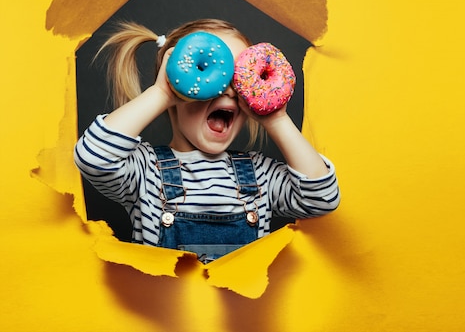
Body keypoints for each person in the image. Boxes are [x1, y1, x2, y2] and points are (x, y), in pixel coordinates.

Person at [74, 19, 340, 263]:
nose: (228, 89)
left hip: (240, 312)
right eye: (213, 73)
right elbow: (93, 158)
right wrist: (160, 93)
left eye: (240, 78)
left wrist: (276, 119)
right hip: (164, 313)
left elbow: (321, 199)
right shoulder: (146, 171)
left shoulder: (260, 175)